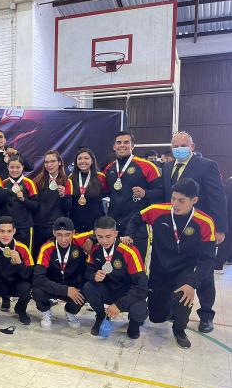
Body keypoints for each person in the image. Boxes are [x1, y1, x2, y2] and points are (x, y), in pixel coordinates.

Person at [124, 178, 216, 348]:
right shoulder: (157, 210)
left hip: (185, 269)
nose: (175, 204)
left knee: (184, 296)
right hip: (160, 268)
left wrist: (193, 283)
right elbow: (136, 219)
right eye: (173, 198)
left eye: (181, 200)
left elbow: (208, 258)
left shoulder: (205, 222)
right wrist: (129, 234)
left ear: (194, 200)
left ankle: (179, 329)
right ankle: (169, 308)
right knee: (156, 317)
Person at [161, 131, 227, 333]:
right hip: (175, 229)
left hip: (201, 229)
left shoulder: (207, 166)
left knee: (204, 273)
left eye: (183, 145)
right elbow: (165, 197)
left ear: (192, 146)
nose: (179, 149)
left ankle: (206, 315)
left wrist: (220, 228)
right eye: (175, 146)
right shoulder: (167, 167)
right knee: (176, 269)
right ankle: (176, 308)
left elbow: (218, 198)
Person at [82, 216, 148, 339]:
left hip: (127, 293)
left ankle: (134, 323)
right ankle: (100, 316)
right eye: (100, 237)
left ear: (116, 233)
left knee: (140, 311)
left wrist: (119, 305)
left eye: (108, 236)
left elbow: (142, 286)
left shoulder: (129, 251)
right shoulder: (95, 249)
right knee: (88, 287)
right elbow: (88, 271)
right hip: (108, 290)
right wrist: (93, 276)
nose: (104, 241)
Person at [103, 131, 162, 259]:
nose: (122, 145)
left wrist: (146, 193)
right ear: (114, 146)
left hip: (138, 225)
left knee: (138, 264)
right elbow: (104, 192)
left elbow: (161, 192)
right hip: (115, 226)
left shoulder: (148, 166)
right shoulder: (109, 168)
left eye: (126, 142)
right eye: (119, 142)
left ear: (132, 146)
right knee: (117, 264)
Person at [32, 217, 88, 329]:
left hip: (73, 285)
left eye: (67, 235)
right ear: (54, 233)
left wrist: (91, 239)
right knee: (36, 291)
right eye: (59, 235)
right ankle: (46, 310)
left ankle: (70, 311)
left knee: (87, 291)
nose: (63, 239)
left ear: (73, 233)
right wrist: (65, 290)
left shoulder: (78, 240)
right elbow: (38, 278)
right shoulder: (46, 248)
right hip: (53, 285)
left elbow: (100, 232)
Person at [0, 216, 34, 325]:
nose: (5, 235)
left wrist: (19, 263)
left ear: (14, 231)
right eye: (2, 231)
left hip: (15, 285)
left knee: (27, 287)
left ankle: (20, 309)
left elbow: (29, 276)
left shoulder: (22, 248)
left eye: (9, 231)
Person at [64, 147, 108, 233]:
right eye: (79, 158)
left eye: (86, 158)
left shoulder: (101, 177)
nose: (83, 161)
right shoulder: (71, 178)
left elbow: (107, 195)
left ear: (92, 161)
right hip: (75, 225)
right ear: (76, 162)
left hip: (96, 225)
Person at [32, 150, 68, 255]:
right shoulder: (37, 181)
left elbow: (68, 208)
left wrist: (63, 196)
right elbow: (34, 204)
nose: (49, 165)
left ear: (59, 162)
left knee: (54, 257)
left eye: (52, 161)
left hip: (56, 227)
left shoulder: (66, 181)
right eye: (46, 162)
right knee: (37, 255)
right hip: (38, 226)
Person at [0, 155, 39, 249]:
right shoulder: (3, 183)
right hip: (7, 227)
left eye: (18, 167)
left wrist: (23, 199)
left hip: (24, 226)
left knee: (25, 253)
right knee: (7, 253)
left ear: (22, 167)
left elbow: (36, 206)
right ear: (8, 167)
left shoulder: (29, 183)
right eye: (12, 167)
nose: (14, 170)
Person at [215, 177, 232, 274]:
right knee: (227, 241)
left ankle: (227, 259)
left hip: (228, 215)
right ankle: (218, 264)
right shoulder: (230, 182)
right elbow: (227, 201)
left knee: (228, 241)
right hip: (228, 216)